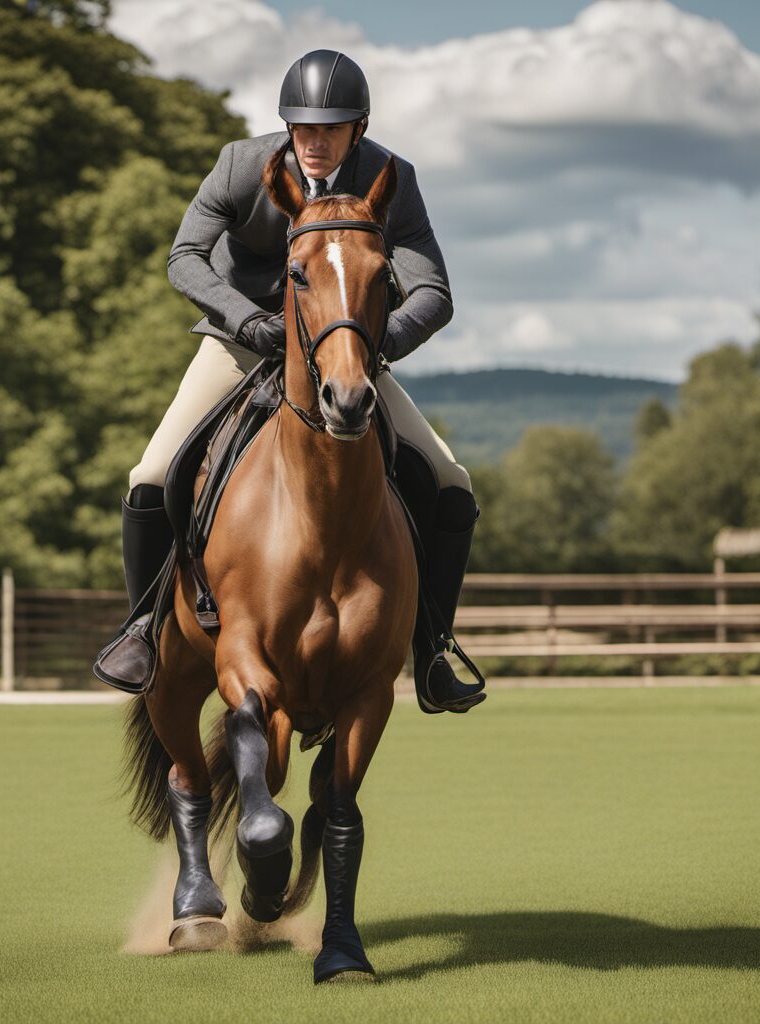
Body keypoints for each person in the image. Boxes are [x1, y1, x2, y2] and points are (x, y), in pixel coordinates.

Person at [122, 49, 484, 714]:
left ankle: (431, 647)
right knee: (149, 475)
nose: (314, 142)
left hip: (341, 355)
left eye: (331, 129)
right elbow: (185, 257)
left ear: (359, 129)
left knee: (449, 480)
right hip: (241, 343)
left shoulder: (390, 177)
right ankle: (143, 630)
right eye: (303, 128)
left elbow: (432, 290)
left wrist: (370, 345)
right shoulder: (241, 166)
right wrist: (247, 318)